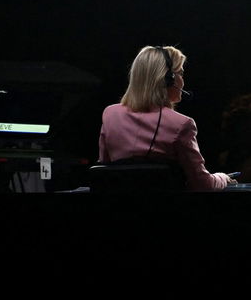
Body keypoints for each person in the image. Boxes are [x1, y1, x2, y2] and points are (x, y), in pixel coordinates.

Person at [98, 45, 236, 191]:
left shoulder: (110, 114)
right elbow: (202, 184)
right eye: (181, 74)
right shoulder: (182, 124)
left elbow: (104, 169)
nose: (183, 81)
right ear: (168, 79)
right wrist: (222, 178)